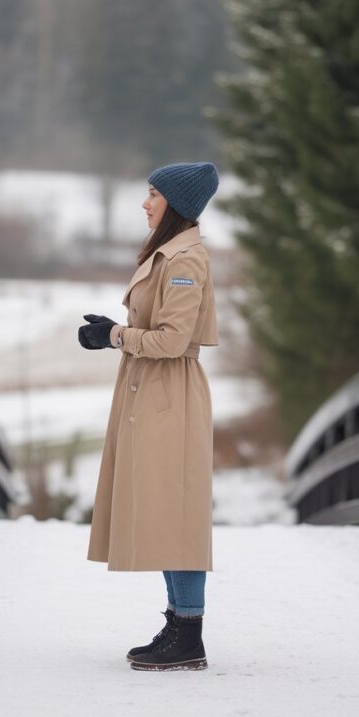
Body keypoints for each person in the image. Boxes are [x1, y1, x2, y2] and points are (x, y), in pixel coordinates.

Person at [77, 161, 220, 671]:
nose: (145, 202)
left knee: (174, 513)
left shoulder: (186, 259)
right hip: (153, 391)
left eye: (154, 194)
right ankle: (179, 623)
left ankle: (189, 632)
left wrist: (114, 335)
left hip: (169, 394)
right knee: (165, 510)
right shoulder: (169, 252)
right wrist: (115, 331)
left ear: (175, 204)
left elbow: (172, 339)